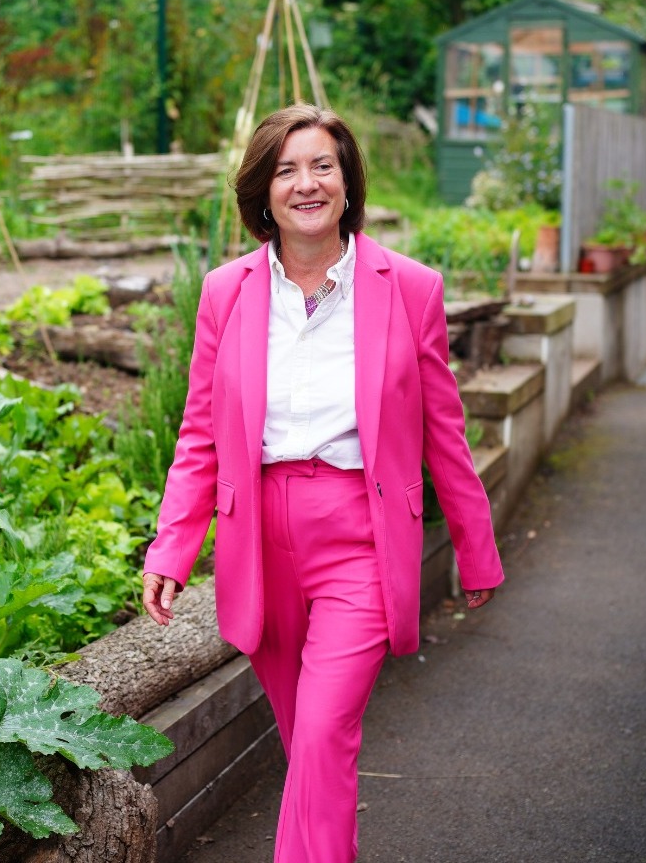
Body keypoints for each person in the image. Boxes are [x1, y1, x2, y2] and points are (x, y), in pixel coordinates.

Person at [141, 104, 504, 862]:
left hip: (359, 537)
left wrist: (477, 548)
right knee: (307, 745)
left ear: (348, 181)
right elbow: (200, 432)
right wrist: (173, 548)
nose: (307, 184)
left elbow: (444, 430)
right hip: (260, 541)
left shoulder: (409, 287)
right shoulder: (226, 292)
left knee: (323, 735)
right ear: (263, 190)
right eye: (287, 169)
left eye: (322, 166)